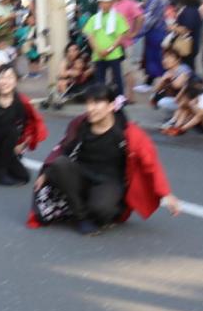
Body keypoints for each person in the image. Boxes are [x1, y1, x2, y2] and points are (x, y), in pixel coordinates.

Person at [29, 84, 181, 235]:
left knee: (102, 211)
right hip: (81, 175)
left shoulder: (128, 133)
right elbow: (63, 148)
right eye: (88, 103)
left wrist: (166, 193)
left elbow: (151, 163)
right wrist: (46, 173)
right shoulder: (80, 124)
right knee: (59, 164)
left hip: (109, 182)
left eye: (96, 103)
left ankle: (106, 207)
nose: (90, 108)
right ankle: (81, 216)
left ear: (111, 106)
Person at [84, 0, 130, 93]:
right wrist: (98, 50)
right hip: (98, 55)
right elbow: (90, 36)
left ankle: (119, 103)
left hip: (114, 54)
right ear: (99, 4)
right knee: (99, 81)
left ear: (112, 3)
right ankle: (101, 102)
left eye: (107, 2)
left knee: (118, 80)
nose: (105, 5)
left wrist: (109, 49)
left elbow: (120, 36)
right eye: (102, 2)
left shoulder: (118, 17)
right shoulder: (93, 18)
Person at [112, 0, 144, 98]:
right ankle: (119, 95)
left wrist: (135, 32)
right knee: (116, 71)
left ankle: (131, 95)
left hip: (126, 43)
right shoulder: (111, 4)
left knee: (127, 70)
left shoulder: (130, 3)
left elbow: (140, 17)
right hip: (113, 44)